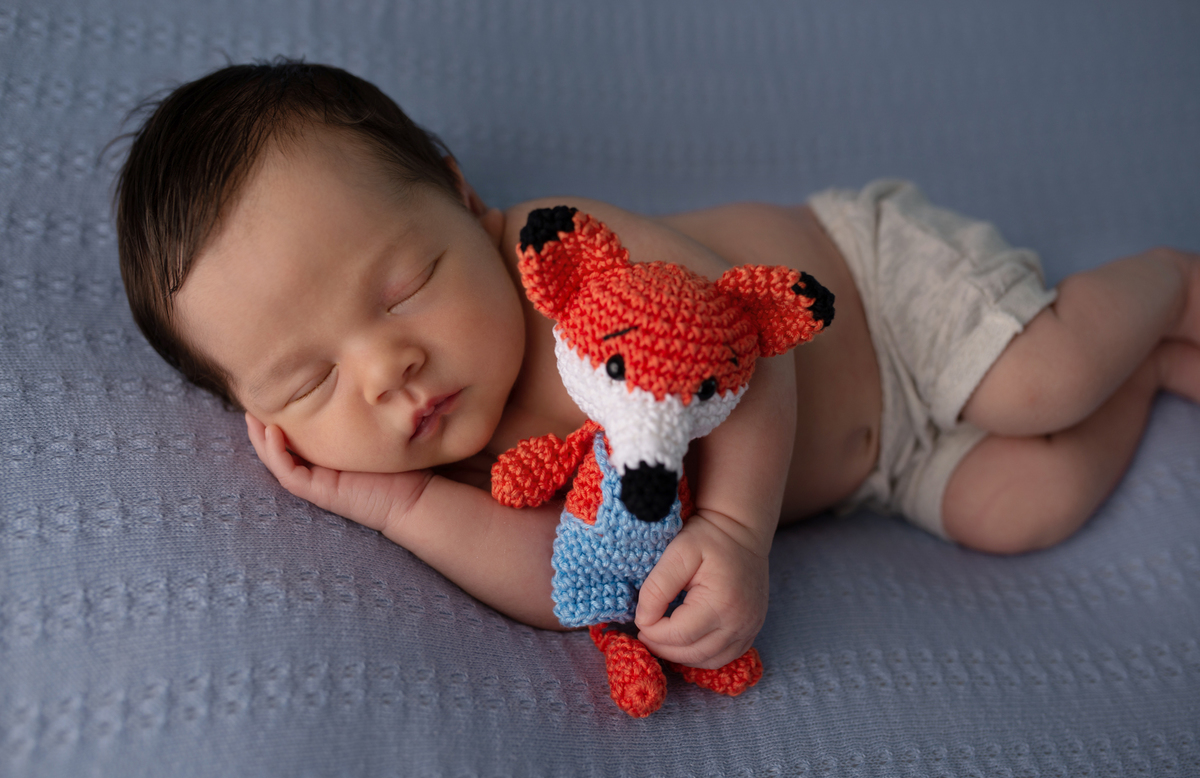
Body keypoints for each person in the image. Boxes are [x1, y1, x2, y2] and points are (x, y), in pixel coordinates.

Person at [116, 60, 1200, 672]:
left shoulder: (559, 255)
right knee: (1029, 505)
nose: (388, 369)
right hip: (885, 466)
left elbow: (747, 353)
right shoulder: (437, 457)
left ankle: (1169, 281)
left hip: (871, 296)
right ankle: (1149, 364)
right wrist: (389, 507)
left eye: (401, 289)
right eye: (308, 384)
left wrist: (730, 533)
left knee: (1039, 382)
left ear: (460, 196)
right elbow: (561, 585)